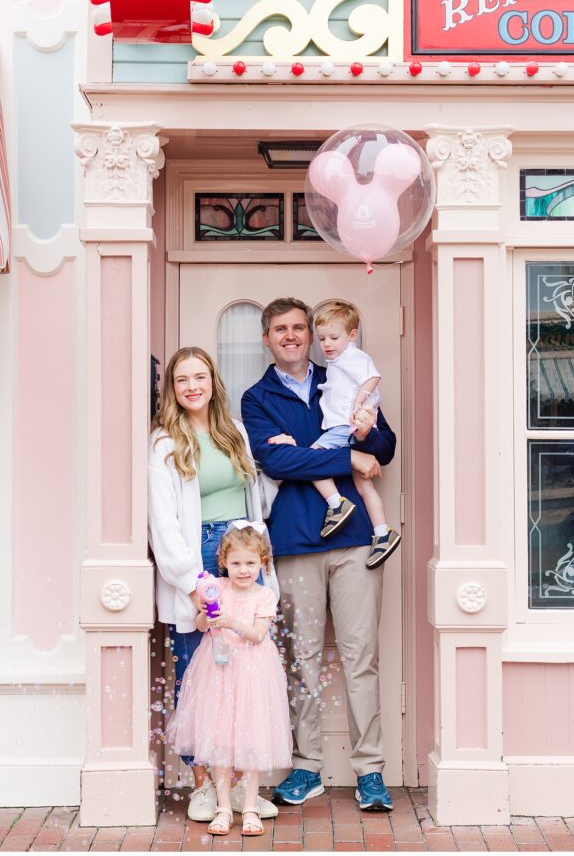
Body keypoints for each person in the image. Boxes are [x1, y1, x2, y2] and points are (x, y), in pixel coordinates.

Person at [241, 298, 397, 812]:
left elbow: (384, 447)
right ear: (267, 338)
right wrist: (344, 456)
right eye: (280, 329)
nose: (291, 336)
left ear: (312, 335)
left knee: (361, 658)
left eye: (299, 328)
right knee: (300, 658)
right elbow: (275, 459)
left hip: (354, 540)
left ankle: (370, 770)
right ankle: (306, 766)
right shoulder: (256, 398)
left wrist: (363, 439)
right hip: (293, 543)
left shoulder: (344, 373)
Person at [147, 346, 279, 823]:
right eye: (182, 380)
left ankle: (244, 788)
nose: (191, 387)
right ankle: (202, 785)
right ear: (172, 390)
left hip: (243, 550)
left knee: (247, 674)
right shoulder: (164, 443)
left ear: (212, 381)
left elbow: (256, 494)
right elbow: (162, 524)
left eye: (199, 377)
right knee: (197, 672)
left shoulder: (234, 433)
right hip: (198, 558)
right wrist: (189, 584)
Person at [166, 522, 292, 836]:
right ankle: (223, 807)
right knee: (219, 737)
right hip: (217, 669)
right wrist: (207, 616)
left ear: (262, 563)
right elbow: (199, 624)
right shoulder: (217, 588)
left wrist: (231, 620)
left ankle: (249, 806)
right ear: (223, 563)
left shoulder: (265, 595)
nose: (243, 569)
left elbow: (258, 635)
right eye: (235, 563)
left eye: (250, 563)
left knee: (251, 737)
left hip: (252, 672)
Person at [308, 299, 401, 568]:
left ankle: (336, 503)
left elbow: (373, 378)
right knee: (364, 485)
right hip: (351, 426)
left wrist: (360, 401)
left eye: (334, 337)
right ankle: (382, 533)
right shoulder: (337, 362)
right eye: (322, 338)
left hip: (343, 426)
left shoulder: (353, 356)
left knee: (313, 457)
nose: (327, 344)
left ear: (352, 336)